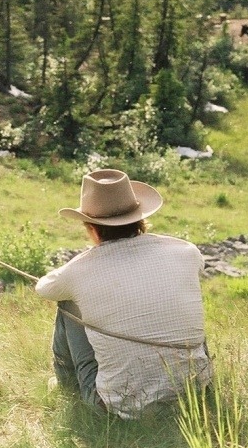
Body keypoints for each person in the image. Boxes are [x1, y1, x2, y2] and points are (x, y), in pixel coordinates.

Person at [35, 169, 212, 418]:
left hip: (121, 407)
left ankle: (67, 387)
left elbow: (43, 288)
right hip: (195, 394)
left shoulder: (77, 270)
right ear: (140, 218)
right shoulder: (186, 252)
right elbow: (199, 266)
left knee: (67, 303)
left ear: (92, 229)